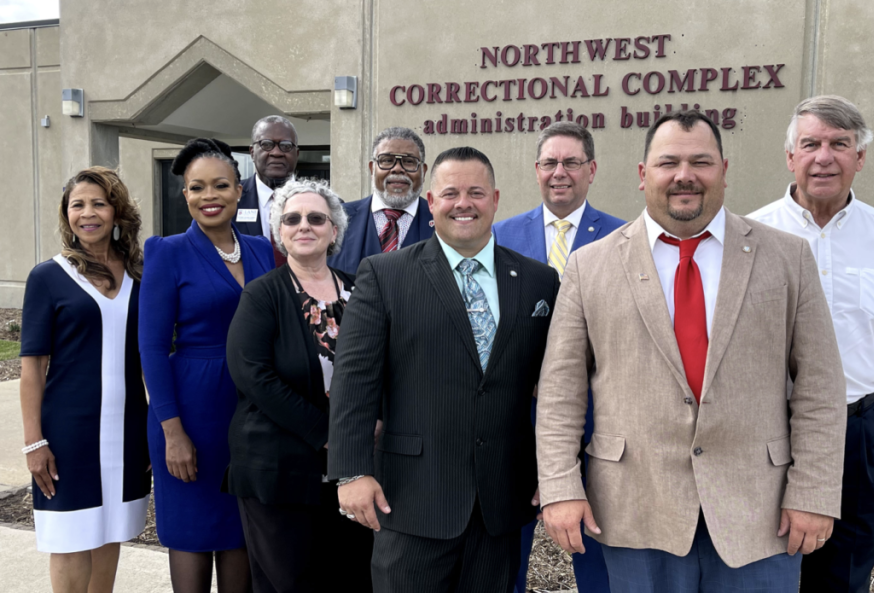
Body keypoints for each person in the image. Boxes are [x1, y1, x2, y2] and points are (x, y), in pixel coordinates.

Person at [535, 111, 848, 593]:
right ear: (644, 175)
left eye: (700, 162)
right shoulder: (589, 266)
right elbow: (561, 391)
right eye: (668, 162)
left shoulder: (787, 257)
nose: (685, 175)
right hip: (635, 510)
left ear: (723, 169)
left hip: (760, 514)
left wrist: (814, 491)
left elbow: (821, 387)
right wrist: (559, 488)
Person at [329, 147, 560, 593]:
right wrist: (352, 471)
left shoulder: (538, 281)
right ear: (431, 203)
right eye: (450, 193)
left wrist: (554, 470)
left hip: (499, 501)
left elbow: (554, 386)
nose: (463, 203)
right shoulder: (384, 274)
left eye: (476, 192)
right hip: (412, 499)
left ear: (495, 199)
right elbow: (354, 381)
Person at [749, 95, 874, 593]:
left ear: (859, 158)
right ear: (790, 157)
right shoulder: (748, 237)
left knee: (845, 577)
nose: (824, 156)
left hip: (860, 435)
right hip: (766, 432)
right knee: (760, 573)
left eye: (840, 144)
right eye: (810, 143)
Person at [224, 178, 373, 592]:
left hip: (351, 467)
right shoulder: (262, 295)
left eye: (316, 218)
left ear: (334, 230)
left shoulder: (363, 290)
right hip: (278, 467)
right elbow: (253, 375)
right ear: (279, 231)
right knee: (292, 582)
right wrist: (327, 434)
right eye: (292, 218)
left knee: (352, 577)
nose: (304, 225)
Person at [493, 121, 623, 593]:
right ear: (536, 170)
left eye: (571, 162)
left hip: (596, 417)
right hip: (516, 416)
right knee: (507, 548)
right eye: (550, 163)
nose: (559, 172)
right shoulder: (500, 236)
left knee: (600, 549)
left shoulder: (622, 238)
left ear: (591, 170)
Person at [140, 138, 275, 593]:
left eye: (220, 185)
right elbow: (152, 348)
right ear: (186, 196)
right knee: (194, 534)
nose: (209, 196)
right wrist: (171, 432)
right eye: (197, 188)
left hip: (251, 410)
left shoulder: (262, 250)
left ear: (240, 190)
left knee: (239, 532)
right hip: (192, 409)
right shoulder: (166, 251)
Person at [19, 167, 150, 593]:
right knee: (72, 537)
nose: (88, 213)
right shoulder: (48, 277)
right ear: (66, 214)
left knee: (110, 532)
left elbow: (149, 358)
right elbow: (32, 368)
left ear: (117, 212)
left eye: (99, 203)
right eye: (78, 204)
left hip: (128, 430)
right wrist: (34, 442)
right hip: (68, 434)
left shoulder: (139, 275)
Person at [327, 126, 435, 275]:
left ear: (423, 172)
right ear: (372, 169)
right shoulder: (336, 219)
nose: (397, 169)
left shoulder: (441, 221)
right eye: (387, 160)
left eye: (409, 161)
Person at [236, 115, 301, 266]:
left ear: (296, 154)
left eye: (285, 145)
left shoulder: (325, 203)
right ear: (252, 152)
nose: (276, 152)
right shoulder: (230, 199)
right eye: (266, 144)